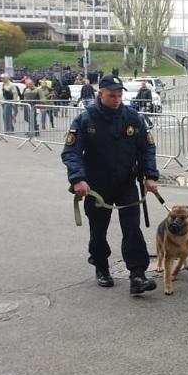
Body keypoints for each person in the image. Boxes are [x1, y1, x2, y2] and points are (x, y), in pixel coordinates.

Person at [61, 75, 159, 295]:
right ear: (100, 94)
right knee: (98, 231)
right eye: (112, 95)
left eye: (119, 95)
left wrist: (150, 176)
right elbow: (71, 152)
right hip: (97, 185)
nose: (116, 100)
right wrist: (78, 179)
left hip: (126, 182)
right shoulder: (86, 119)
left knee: (132, 230)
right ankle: (101, 267)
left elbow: (147, 148)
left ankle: (137, 275)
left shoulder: (132, 117)